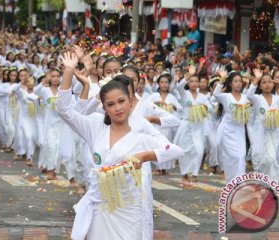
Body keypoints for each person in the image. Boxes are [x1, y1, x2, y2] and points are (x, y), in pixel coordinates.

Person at [57, 52, 184, 240]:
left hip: (128, 209)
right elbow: (65, 111)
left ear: (131, 101)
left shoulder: (139, 133)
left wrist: (144, 156)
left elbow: (175, 150)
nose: (117, 108)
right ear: (104, 107)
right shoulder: (95, 126)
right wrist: (68, 71)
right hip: (99, 207)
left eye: (121, 101)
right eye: (110, 104)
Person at [246, 69, 279, 182]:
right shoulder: (258, 99)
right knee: (260, 160)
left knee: (272, 160)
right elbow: (249, 95)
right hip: (260, 134)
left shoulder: (277, 99)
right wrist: (257, 78)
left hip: (274, 135)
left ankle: (272, 185)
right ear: (260, 85)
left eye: (269, 82)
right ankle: (260, 184)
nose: (267, 84)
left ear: (273, 84)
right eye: (264, 82)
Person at [173, 65, 210, 182]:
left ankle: (195, 173)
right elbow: (179, 86)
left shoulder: (203, 97)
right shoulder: (185, 94)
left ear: (199, 83)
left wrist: (204, 108)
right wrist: (189, 74)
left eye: (196, 81)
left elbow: (208, 109)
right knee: (185, 150)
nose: (194, 83)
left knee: (199, 150)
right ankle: (184, 173)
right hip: (186, 125)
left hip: (198, 126)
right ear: (188, 83)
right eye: (191, 81)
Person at [214, 70, 250, 182]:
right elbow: (216, 94)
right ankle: (231, 183)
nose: (238, 83)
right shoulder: (226, 96)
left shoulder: (245, 97)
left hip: (240, 131)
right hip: (227, 131)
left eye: (240, 81)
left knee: (241, 156)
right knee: (232, 158)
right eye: (235, 81)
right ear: (230, 83)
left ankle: (240, 184)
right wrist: (222, 79)